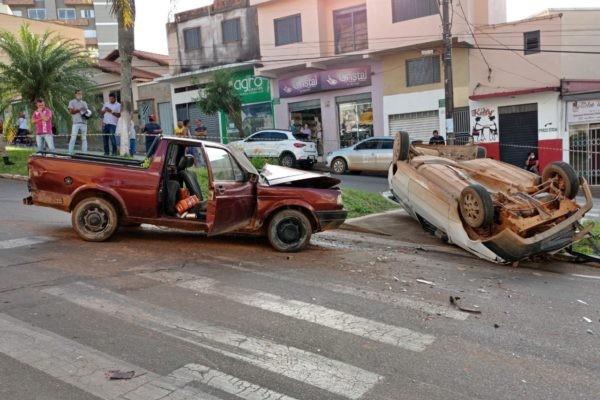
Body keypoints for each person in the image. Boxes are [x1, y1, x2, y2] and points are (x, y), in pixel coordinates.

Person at [67, 89, 89, 154]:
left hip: (84, 123)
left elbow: (87, 113)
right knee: (73, 138)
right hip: (75, 123)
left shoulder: (84, 103)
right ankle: (70, 153)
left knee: (84, 139)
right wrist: (79, 110)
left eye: (81, 94)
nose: (80, 95)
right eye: (78, 93)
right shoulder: (72, 102)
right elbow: (71, 111)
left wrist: (83, 111)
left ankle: (84, 154)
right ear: (75, 94)